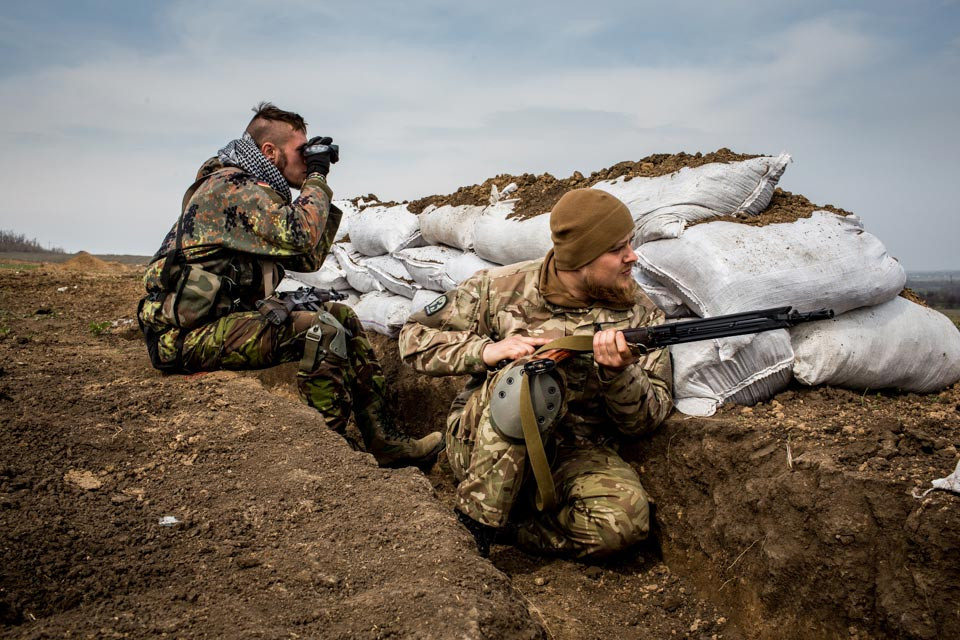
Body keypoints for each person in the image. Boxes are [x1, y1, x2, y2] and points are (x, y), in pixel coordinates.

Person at [137, 102, 442, 467]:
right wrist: (317, 178)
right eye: (302, 151)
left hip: (218, 323)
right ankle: (331, 453)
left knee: (341, 317)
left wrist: (315, 183)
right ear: (270, 151)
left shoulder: (255, 192)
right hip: (185, 336)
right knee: (322, 331)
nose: (309, 159)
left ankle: (384, 440)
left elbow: (306, 259)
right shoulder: (230, 188)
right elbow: (299, 237)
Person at [398, 188, 673, 558]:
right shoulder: (498, 289)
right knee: (532, 379)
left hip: (574, 452)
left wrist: (619, 374)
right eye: (617, 249)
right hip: (482, 444)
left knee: (623, 523)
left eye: (630, 243)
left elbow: (647, 420)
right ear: (581, 258)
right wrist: (486, 351)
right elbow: (413, 339)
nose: (632, 257)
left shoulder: (640, 313)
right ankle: (475, 525)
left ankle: (514, 526)